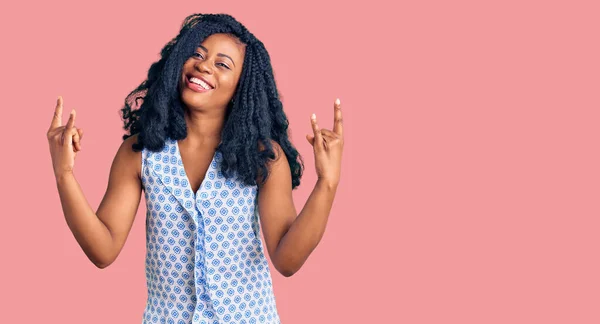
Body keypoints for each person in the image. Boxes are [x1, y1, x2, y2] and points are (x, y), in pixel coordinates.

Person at [47, 13, 343, 324]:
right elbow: (103, 250)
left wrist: (327, 183)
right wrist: (64, 175)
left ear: (241, 86)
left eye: (222, 64)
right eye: (196, 54)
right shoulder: (140, 152)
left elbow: (287, 260)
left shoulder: (263, 157)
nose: (203, 66)